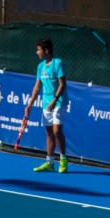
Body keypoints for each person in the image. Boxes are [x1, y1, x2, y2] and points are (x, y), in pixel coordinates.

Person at [24, 38, 67, 173]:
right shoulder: (40, 67)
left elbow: (62, 84)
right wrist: (30, 104)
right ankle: (49, 163)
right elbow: (37, 87)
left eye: (38, 50)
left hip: (59, 102)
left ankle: (63, 160)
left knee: (56, 131)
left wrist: (54, 100)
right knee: (49, 133)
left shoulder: (58, 63)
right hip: (46, 104)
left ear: (46, 50)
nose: (37, 52)